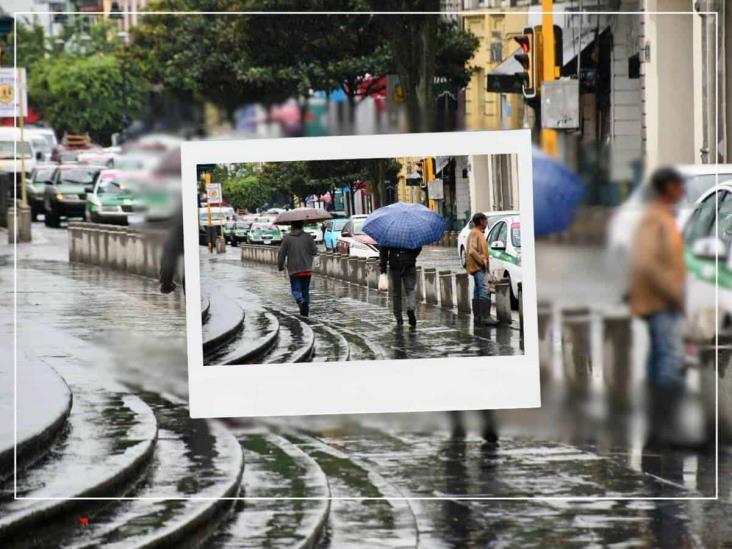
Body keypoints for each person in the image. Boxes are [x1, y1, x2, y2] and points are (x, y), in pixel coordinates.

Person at [628, 167, 686, 446]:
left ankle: (657, 426)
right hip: (660, 301)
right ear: (668, 188)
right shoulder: (655, 218)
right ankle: (665, 426)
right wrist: (674, 293)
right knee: (669, 360)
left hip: (660, 300)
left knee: (659, 360)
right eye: (679, 186)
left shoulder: (662, 216)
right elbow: (648, 262)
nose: (683, 191)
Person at [277, 220, 318, 317]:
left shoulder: (287, 238)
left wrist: (280, 266)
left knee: (295, 289)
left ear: (292, 226)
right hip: (306, 268)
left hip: (294, 269)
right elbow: (314, 251)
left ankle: (300, 300)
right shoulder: (308, 237)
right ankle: (305, 309)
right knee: (305, 290)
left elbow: (281, 253)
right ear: (302, 225)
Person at [465, 212, 497, 326]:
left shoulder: (477, 233)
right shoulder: (475, 233)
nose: (487, 222)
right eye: (485, 220)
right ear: (481, 221)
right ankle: (485, 317)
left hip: (477, 266)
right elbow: (472, 251)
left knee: (478, 291)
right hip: (479, 267)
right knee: (483, 290)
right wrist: (482, 261)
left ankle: (478, 317)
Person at [380, 245, 421, 327]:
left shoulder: (390, 234)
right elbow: (418, 247)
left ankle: (399, 318)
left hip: (395, 265)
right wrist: (412, 256)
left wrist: (383, 268)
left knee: (397, 293)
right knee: (410, 290)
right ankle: (411, 309)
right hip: (409, 264)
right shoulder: (410, 232)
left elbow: (383, 251)